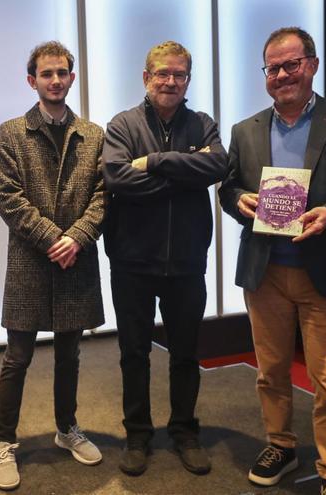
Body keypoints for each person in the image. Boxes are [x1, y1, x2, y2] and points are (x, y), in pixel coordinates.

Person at [219, 27, 326, 495]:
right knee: (270, 373)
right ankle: (280, 444)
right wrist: (239, 200)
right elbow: (228, 187)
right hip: (265, 272)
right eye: (273, 68)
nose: (281, 75)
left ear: (312, 65)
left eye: (291, 65)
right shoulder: (246, 129)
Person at [102, 40, 228, 477]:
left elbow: (218, 167)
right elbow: (118, 179)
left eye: (179, 75)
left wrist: (154, 161)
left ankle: (184, 432)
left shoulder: (203, 123)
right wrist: (184, 172)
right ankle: (137, 434)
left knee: (186, 354)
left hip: (188, 262)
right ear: (146, 77)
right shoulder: (121, 124)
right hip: (133, 262)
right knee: (133, 353)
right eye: (162, 74)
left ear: (188, 80)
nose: (170, 81)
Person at [0, 41, 106, 491]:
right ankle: (5, 442)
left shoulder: (93, 134)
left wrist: (76, 237)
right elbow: (8, 198)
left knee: (69, 355)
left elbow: (102, 195)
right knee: (16, 357)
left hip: (74, 260)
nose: (55, 80)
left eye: (62, 73)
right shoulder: (12, 131)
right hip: (30, 262)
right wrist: (52, 238)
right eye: (46, 74)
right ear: (31, 80)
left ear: (72, 78)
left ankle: (67, 428)